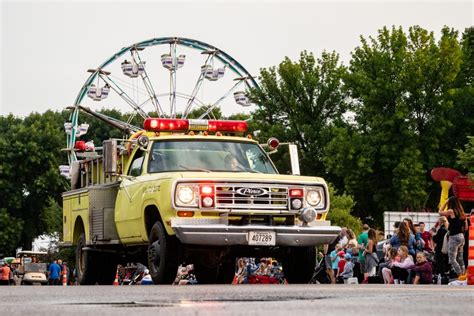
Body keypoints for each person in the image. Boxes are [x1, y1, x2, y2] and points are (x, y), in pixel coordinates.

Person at [439, 196, 468, 278]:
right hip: (462, 237)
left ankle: (460, 275)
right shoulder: (462, 213)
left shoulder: (451, 211)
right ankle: (464, 274)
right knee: (460, 258)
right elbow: (466, 228)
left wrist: (445, 202)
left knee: (452, 259)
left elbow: (440, 212)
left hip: (454, 236)